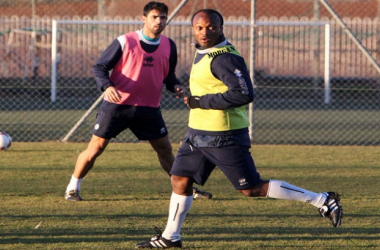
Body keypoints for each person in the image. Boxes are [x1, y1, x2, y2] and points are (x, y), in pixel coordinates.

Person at [135, 9, 343, 248]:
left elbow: (244, 94)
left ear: (221, 28)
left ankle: (322, 200)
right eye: (199, 27)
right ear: (193, 29)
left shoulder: (225, 57)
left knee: (251, 188)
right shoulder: (203, 50)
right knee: (180, 179)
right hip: (197, 134)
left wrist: (200, 101)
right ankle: (170, 237)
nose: (205, 32)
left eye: (211, 26)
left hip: (224, 135)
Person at [64, 2, 212, 202]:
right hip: (118, 106)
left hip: (149, 108)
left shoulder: (169, 45)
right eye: (154, 17)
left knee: (165, 150)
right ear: (144, 19)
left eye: (162, 17)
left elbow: (168, 74)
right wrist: (107, 86)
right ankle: (73, 188)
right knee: (96, 148)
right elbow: (99, 67)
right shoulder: (125, 41)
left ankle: (187, 189)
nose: (159, 21)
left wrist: (174, 86)